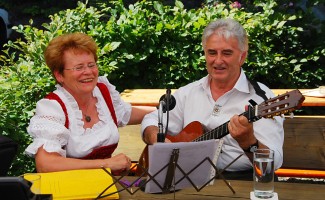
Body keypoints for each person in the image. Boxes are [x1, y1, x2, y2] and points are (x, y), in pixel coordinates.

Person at [141, 18, 284, 180]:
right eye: (212, 53)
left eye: (227, 53)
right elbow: (151, 119)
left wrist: (249, 143)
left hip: (242, 180)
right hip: (188, 179)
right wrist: (156, 138)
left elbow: (272, 164)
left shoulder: (263, 100)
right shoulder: (189, 92)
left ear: (242, 57)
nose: (218, 60)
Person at [25, 32, 156, 173]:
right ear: (59, 75)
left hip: (109, 184)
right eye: (79, 67)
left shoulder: (102, 91)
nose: (88, 72)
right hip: (73, 189)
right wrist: (106, 164)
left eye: (91, 65)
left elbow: (124, 113)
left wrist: (162, 111)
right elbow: (46, 164)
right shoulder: (53, 107)